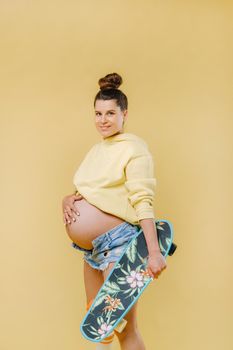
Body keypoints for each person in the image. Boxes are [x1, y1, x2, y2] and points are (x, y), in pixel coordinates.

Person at [62, 72, 167, 350]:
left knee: (126, 330)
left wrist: (154, 253)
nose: (103, 120)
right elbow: (94, 191)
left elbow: (142, 199)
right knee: (99, 327)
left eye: (110, 113)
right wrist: (68, 200)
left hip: (118, 245)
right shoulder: (97, 150)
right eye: (97, 113)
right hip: (92, 251)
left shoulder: (134, 148)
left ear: (124, 114)